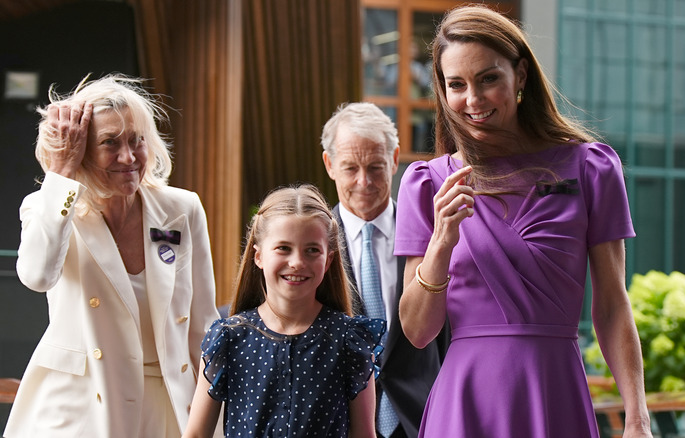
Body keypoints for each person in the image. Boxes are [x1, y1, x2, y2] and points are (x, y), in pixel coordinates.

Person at [394, 5, 653, 438]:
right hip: (464, 406)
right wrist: (441, 241)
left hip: (554, 397)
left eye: (488, 78)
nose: (472, 100)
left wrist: (637, 418)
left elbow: (611, 305)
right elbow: (418, 332)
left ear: (521, 76)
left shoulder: (590, 168)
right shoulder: (426, 184)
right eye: (456, 84)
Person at [4, 74, 221, 438]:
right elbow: (38, 275)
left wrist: (213, 422)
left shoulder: (183, 208)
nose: (129, 156)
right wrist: (61, 174)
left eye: (137, 140)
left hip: (168, 405)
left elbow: (203, 325)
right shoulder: (49, 207)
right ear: (80, 151)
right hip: (80, 410)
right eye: (110, 143)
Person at [183, 184, 384, 438]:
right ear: (258, 257)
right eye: (283, 248)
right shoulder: (228, 339)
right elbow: (196, 434)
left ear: (329, 260)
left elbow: (364, 435)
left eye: (312, 250)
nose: (297, 262)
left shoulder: (349, 341)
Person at [321, 102, 448, 438]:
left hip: (423, 420)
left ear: (394, 161)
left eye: (375, 167)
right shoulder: (313, 248)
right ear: (329, 164)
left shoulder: (433, 237)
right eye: (350, 168)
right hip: (340, 423)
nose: (364, 182)